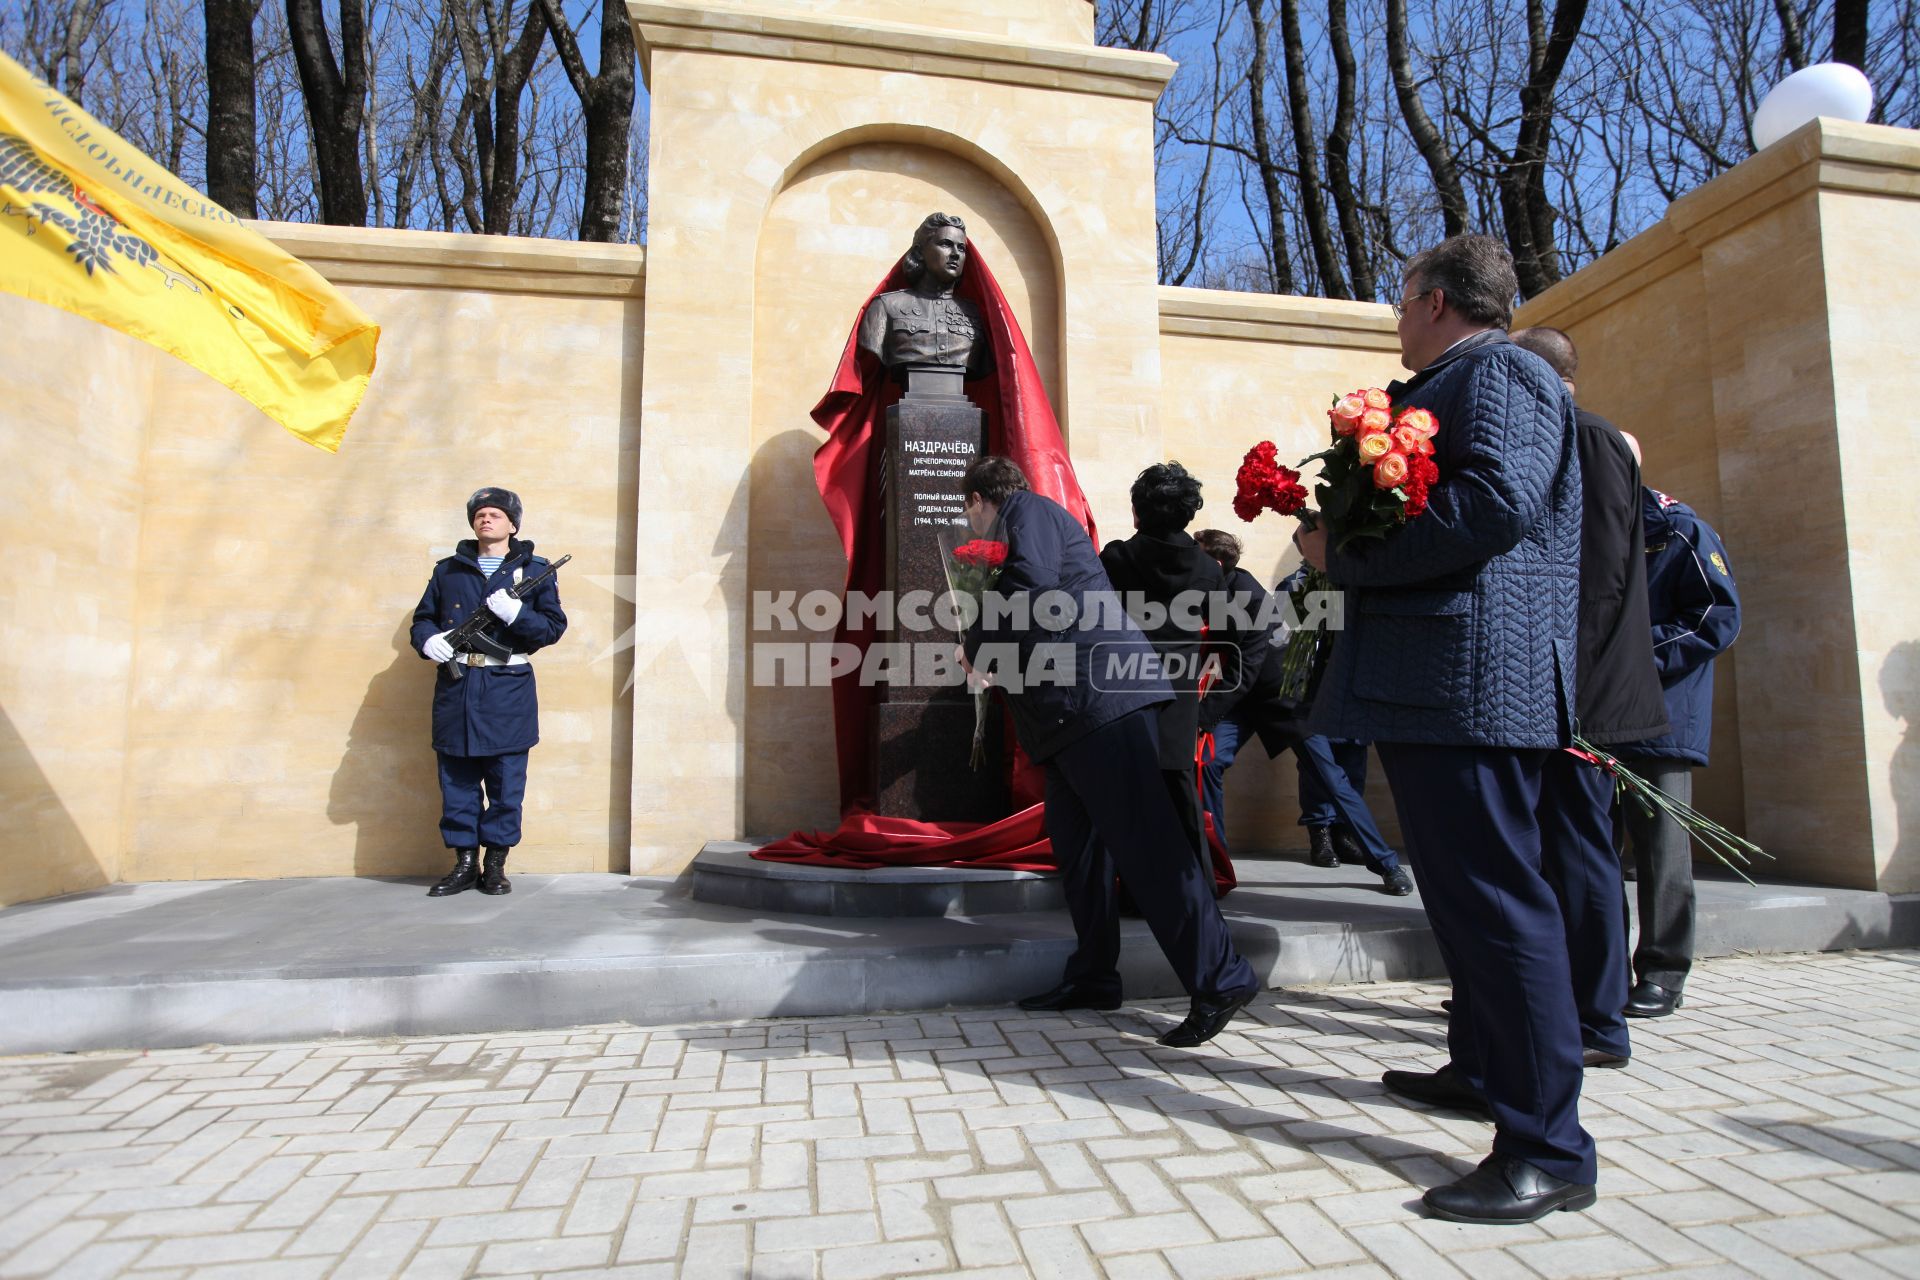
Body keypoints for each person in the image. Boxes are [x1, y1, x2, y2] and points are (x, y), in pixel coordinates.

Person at [1295, 234, 1592, 1224]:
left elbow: (1496, 502)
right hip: (1441, 685)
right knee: (1468, 903)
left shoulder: (1499, 371)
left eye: (1400, 298)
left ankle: (1549, 1145)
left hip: (1470, 684)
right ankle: (1480, 1066)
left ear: (1431, 300)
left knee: (1501, 906)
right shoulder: (1465, 377)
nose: (1394, 316)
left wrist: (1350, 554)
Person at [960, 455, 1258, 1047]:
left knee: (1147, 845)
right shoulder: (1023, 521)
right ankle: (1095, 976)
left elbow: (1034, 590)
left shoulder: (1030, 509)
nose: (968, 525)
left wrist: (977, 642)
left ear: (979, 499)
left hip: (1102, 704)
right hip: (1072, 717)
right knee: (1081, 855)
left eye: (967, 510)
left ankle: (1222, 977)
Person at [1507, 326, 1672, 1072]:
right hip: (1570, 684)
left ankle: (1600, 1019)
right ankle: (1549, 996)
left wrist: (1559, 688)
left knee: (1580, 851)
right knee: (1555, 849)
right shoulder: (1587, 438)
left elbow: (1596, 579)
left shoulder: (1590, 441)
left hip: (1583, 688)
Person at [1193, 533, 1412, 896]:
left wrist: (1204, 714)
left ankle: (1388, 865)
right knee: (1209, 762)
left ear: (1215, 563)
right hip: (1244, 699)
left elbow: (1243, 671)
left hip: (1280, 699)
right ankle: (1213, 866)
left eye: (1196, 556)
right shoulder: (1207, 588)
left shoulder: (1246, 593)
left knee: (1331, 779)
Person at [1612, 452, 1742, 1018]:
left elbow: (1716, 614)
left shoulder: (1678, 527)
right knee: (1589, 855)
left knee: (1662, 852)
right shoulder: (1590, 527)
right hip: (1598, 720)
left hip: (1662, 717)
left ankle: (1664, 971)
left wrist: (1634, 659)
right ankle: (1599, 972)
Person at [410, 488, 568, 898]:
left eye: (496, 514)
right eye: (480, 514)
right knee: (457, 782)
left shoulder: (535, 570)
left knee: (505, 784)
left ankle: (495, 865)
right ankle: (464, 864)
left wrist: (517, 614)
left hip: (506, 693)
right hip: (458, 688)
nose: (487, 519)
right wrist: (429, 642)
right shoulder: (448, 571)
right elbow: (423, 619)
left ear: (513, 525)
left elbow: (551, 628)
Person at [1099, 463, 1234, 873]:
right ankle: (1195, 887)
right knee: (1178, 789)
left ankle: (1129, 886)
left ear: (1138, 510)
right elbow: (1225, 632)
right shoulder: (1210, 569)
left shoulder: (1117, 556)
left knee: (1123, 792)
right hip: (1179, 690)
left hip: (1123, 687)